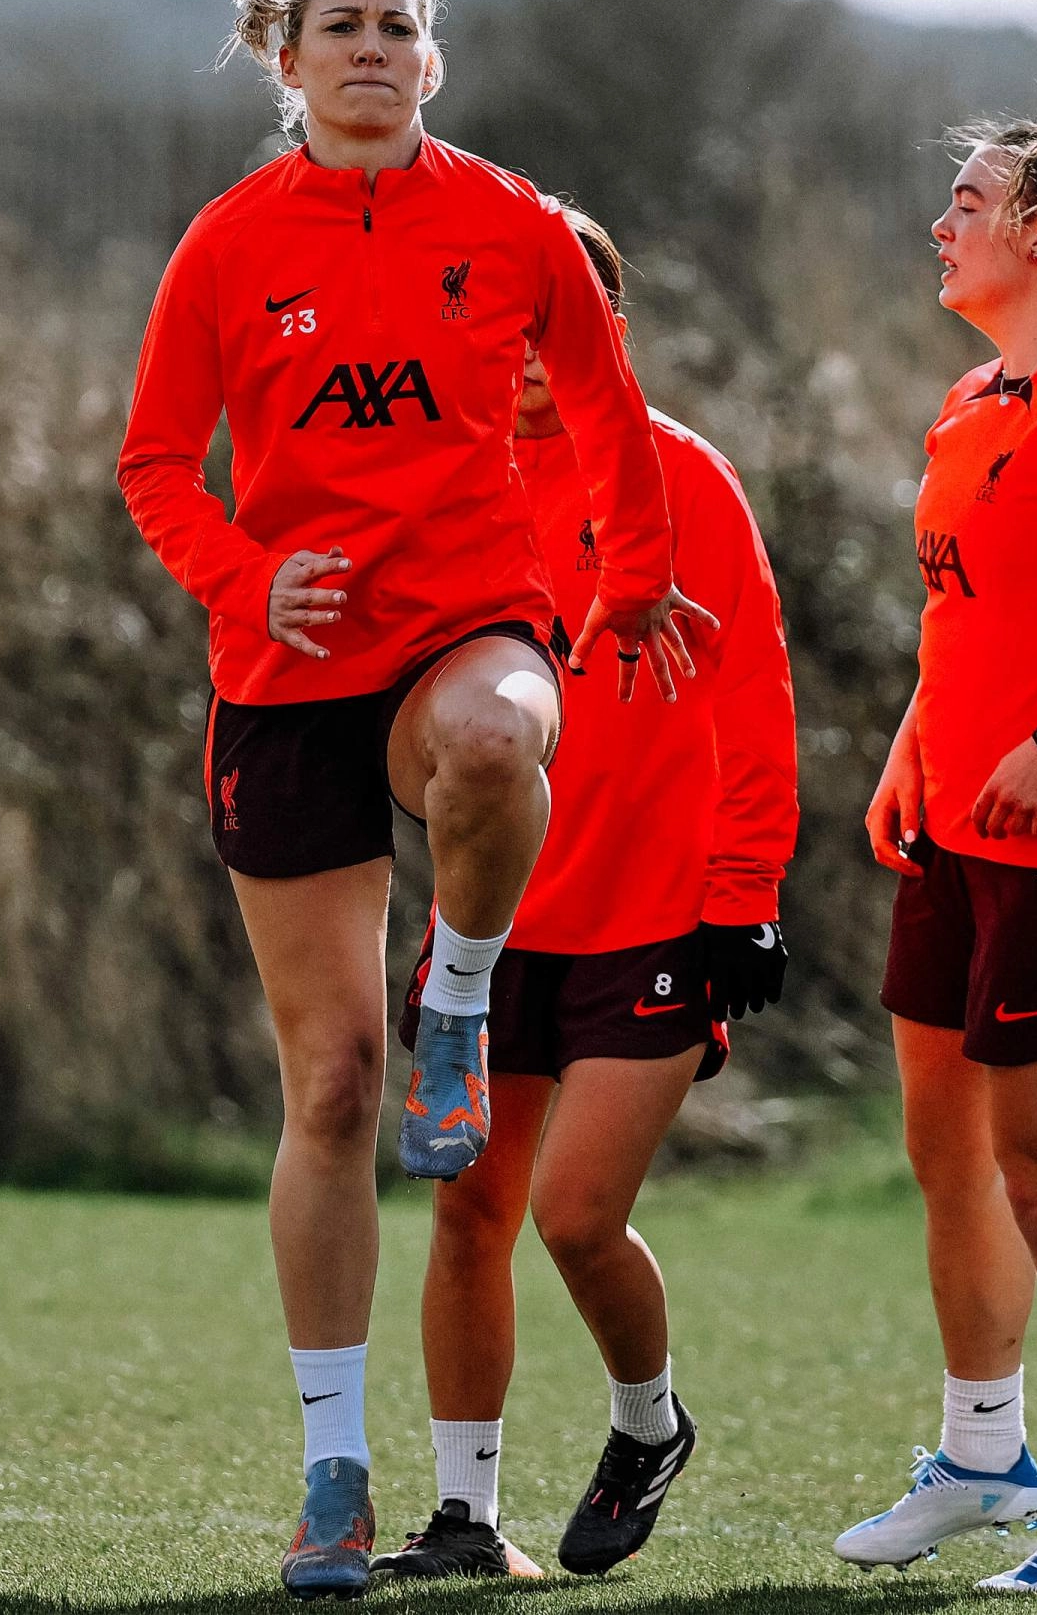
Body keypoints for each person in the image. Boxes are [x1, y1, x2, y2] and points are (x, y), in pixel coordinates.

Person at [116, 0, 715, 1600]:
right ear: (286, 59)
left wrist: (634, 578)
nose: (371, 46)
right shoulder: (229, 244)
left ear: (431, 61)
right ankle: (331, 1476)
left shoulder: (511, 222)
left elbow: (605, 407)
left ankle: (461, 995)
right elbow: (158, 463)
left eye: (398, 25)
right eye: (341, 26)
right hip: (286, 664)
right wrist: (250, 577)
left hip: (470, 621)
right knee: (329, 1091)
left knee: (501, 732)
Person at [371, 209, 798, 1579]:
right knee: (465, 1213)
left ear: (608, 321)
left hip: (659, 916)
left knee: (574, 1216)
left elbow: (755, 697)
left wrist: (746, 891)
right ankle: (463, 1517)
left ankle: (646, 1423)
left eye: (565, 309)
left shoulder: (679, 475)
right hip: (492, 926)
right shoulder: (452, 480)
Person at [836, 87, 1037, 1593]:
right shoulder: (974, 402)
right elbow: (965, 617)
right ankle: (980, 1455)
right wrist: (913, 746)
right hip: (956, 838)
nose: (942, 222)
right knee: (949, 1154)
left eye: (970, 199)